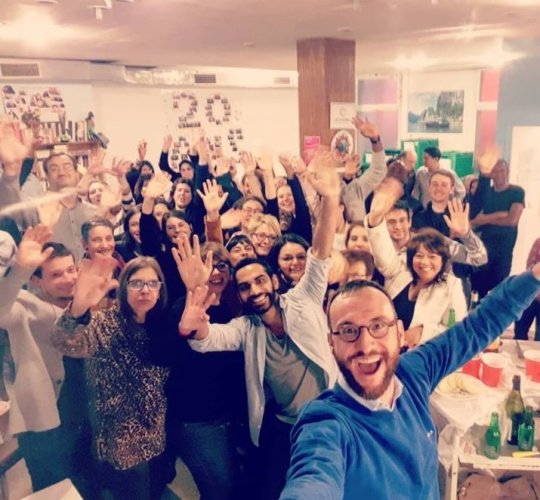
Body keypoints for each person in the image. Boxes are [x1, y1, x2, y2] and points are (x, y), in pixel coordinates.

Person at [280, 262, 540, 500]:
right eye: (348, 331)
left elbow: (475, 328)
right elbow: (313, 480)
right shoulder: (327, 422)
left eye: (378, 326)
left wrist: (534, 277)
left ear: (399, 333)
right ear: (331, 343)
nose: (366, 345)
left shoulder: (414, 372)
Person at [178, 149, 341, 500]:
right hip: (282, 428)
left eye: (259, 281)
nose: (254, 290)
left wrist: (330, 199)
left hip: (326, 420)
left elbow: (321, 251)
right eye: (245, 286)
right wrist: (194, 320)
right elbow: (209, 338)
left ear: (274, 281)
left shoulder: (304, 298)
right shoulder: (246, 328)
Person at [52, 256, 170, 500]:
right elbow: (65, 342)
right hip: (117, 445)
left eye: (152, 283)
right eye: (136, 283)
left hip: (157, 440)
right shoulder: (104, 324)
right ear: (123, 287)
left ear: (160, 290)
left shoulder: (162, 327)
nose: (145, 290)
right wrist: (77, 311)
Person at [0, 227, 94, 496]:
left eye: (70, 270)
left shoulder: (88, 302)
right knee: (53, 488)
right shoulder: (24, 308)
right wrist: (19, 268)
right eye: (56, 274)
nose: (68, 278)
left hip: (85, 415)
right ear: (36, 280)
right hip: (46, 423)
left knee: (86, 482)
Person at [161, 238, 247, 500]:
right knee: (219, 490)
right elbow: (167, 352)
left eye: (222, 266)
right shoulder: (183, 307)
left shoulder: (235, 309)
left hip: (228, 415)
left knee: (232, 485)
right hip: (196, 419)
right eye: (208, 266)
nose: (216, 272)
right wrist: (184, 328)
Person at [366, 183, 469, 346]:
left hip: (423, 356)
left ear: (443, 260)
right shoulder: (400, 272)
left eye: (432, 256)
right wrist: (375, 219)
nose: (425, 262)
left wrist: (422, 333)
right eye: (419, 256)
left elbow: (458, 332)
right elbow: (383, 258)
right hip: (386, 349)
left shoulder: (451, 286)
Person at [471, 157, 525, 298]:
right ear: (490, 173)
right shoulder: (485, 193)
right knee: (478, 289)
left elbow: (512, 221)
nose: (499, 174)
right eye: (495, 171)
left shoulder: (517, 192)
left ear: (507, 171)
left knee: (499, 291)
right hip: (483, 249)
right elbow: (474, 220)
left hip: (504, 251)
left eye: (502, 170)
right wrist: (499, 215)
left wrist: (485, 219)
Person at [340, 117, 387, 223]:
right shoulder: (320, 203)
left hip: (361, 231)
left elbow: (378, 170)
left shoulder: (354, 190)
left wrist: (375, 140)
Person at [514, 237, 540, 340]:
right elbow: (530, 267)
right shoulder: (539, 242)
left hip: (533, 292)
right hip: (531, 292)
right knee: (520, 332)